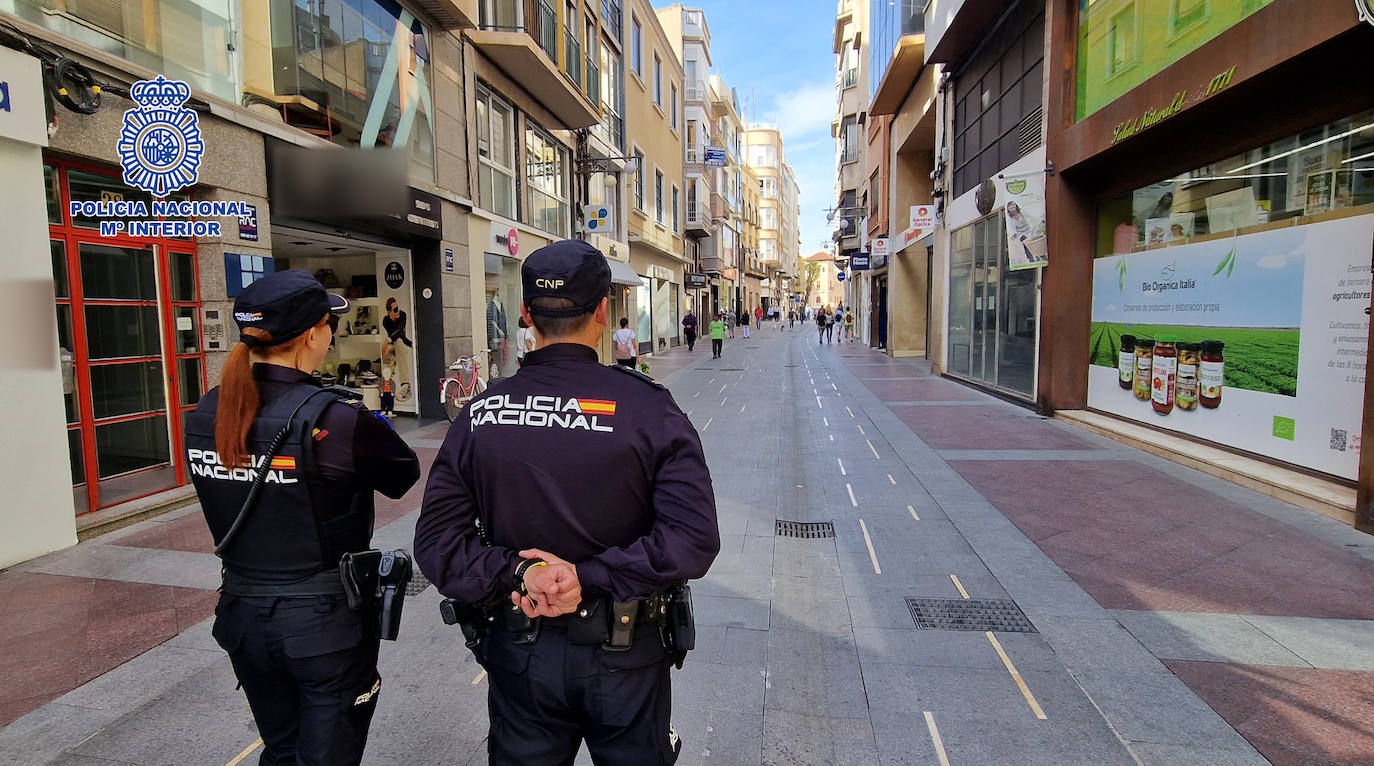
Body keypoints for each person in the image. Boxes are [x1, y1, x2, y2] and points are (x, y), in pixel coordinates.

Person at [415, 239, 720, 765]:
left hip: (521, 650)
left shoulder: (480, 414)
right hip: (626, 654)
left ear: (525, 314)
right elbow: (693, 539)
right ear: (603, 310)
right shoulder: (648, 408)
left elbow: (437, 543)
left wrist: (522, 573)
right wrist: (589, 577)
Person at [184, 270, 420, 766]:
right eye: (329, 325)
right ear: (312, 335)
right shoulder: (335, 418)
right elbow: (402, 474)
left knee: (282, 750)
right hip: (322, 626)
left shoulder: (209, 409)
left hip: (242, 616)